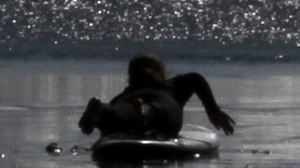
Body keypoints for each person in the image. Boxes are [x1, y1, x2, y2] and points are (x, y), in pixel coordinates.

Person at [77, 53, 235, 138]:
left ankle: (101, 110)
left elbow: (108, 132)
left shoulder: (123, 95)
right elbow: (196, 78)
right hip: (162, 100)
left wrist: (103, 118)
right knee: (162, 112)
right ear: (162, 73)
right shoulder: (170, 86)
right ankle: (147, 112)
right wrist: (212, 110)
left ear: (130, 78)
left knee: (115, 114)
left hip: (130, 100)